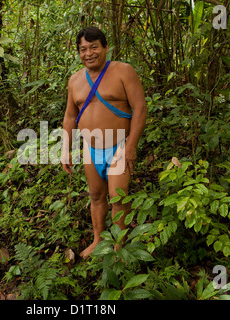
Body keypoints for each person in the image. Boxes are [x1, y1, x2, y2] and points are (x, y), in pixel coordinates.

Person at [61, 26, 147, 259]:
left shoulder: (123, 72)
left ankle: (119, 245)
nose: (89, 53)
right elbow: (70, 116)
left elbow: (140, 108)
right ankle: (98, 239)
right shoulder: (75, 80)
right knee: (96, 197)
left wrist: (130, 147)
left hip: (118, 145)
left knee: (118, 197)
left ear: (105, 47)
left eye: (94, 47)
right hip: (91, 148)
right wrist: (66, 149)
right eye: (83, 49)